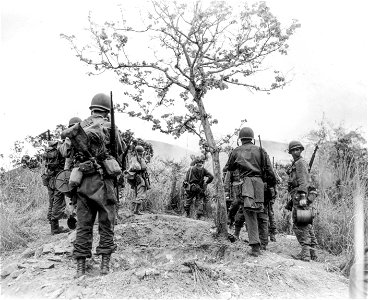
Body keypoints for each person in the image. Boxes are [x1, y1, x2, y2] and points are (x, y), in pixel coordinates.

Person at [61, 93, 123, 278]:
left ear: (92, 108)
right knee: (106, 222)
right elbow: (119, 149)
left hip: (82, 181)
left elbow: (66, 152)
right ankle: (104, 266)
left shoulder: (79, 126)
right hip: (104, 181)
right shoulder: (110, 126)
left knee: (84, 225)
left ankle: (80, 268)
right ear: (106, 111)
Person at [226, 127, 277, 256]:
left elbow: (229, 167)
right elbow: (270, 172)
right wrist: (271, 186)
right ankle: (263, 244)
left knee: (249, 214)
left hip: (246, 184)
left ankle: (255, 247)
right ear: (252, 138)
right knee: (262, 214)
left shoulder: (236, 151)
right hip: (260, 184)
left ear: (240, 139)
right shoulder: (260, 150)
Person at [285, 140, 314, 262]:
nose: (295, 152)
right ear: (290, 152)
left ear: (301, 150)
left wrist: (302, 196)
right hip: (297, 195)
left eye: (298, 149)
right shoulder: (297, 162)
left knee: (299, 223)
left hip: (299, 195)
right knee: (306, 222)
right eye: (293, 150)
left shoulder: (300, 163)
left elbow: (303, 181)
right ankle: (312, 253)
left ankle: (305, 253)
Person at [41, 138, 69, 235]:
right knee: (58, 201)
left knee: (51, 202)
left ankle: (53, 225)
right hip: (58, 179)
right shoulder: (58, 153)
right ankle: (55, 228)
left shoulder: (47, 154)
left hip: (49, 179)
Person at [125, 145, 150, 215]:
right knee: (141, 193)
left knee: (138, 193)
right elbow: (139, 167)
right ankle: (136, 210)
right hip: (140, 178)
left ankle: (136, 210)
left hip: (138, 177)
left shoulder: (136, 158)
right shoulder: (137, 159)